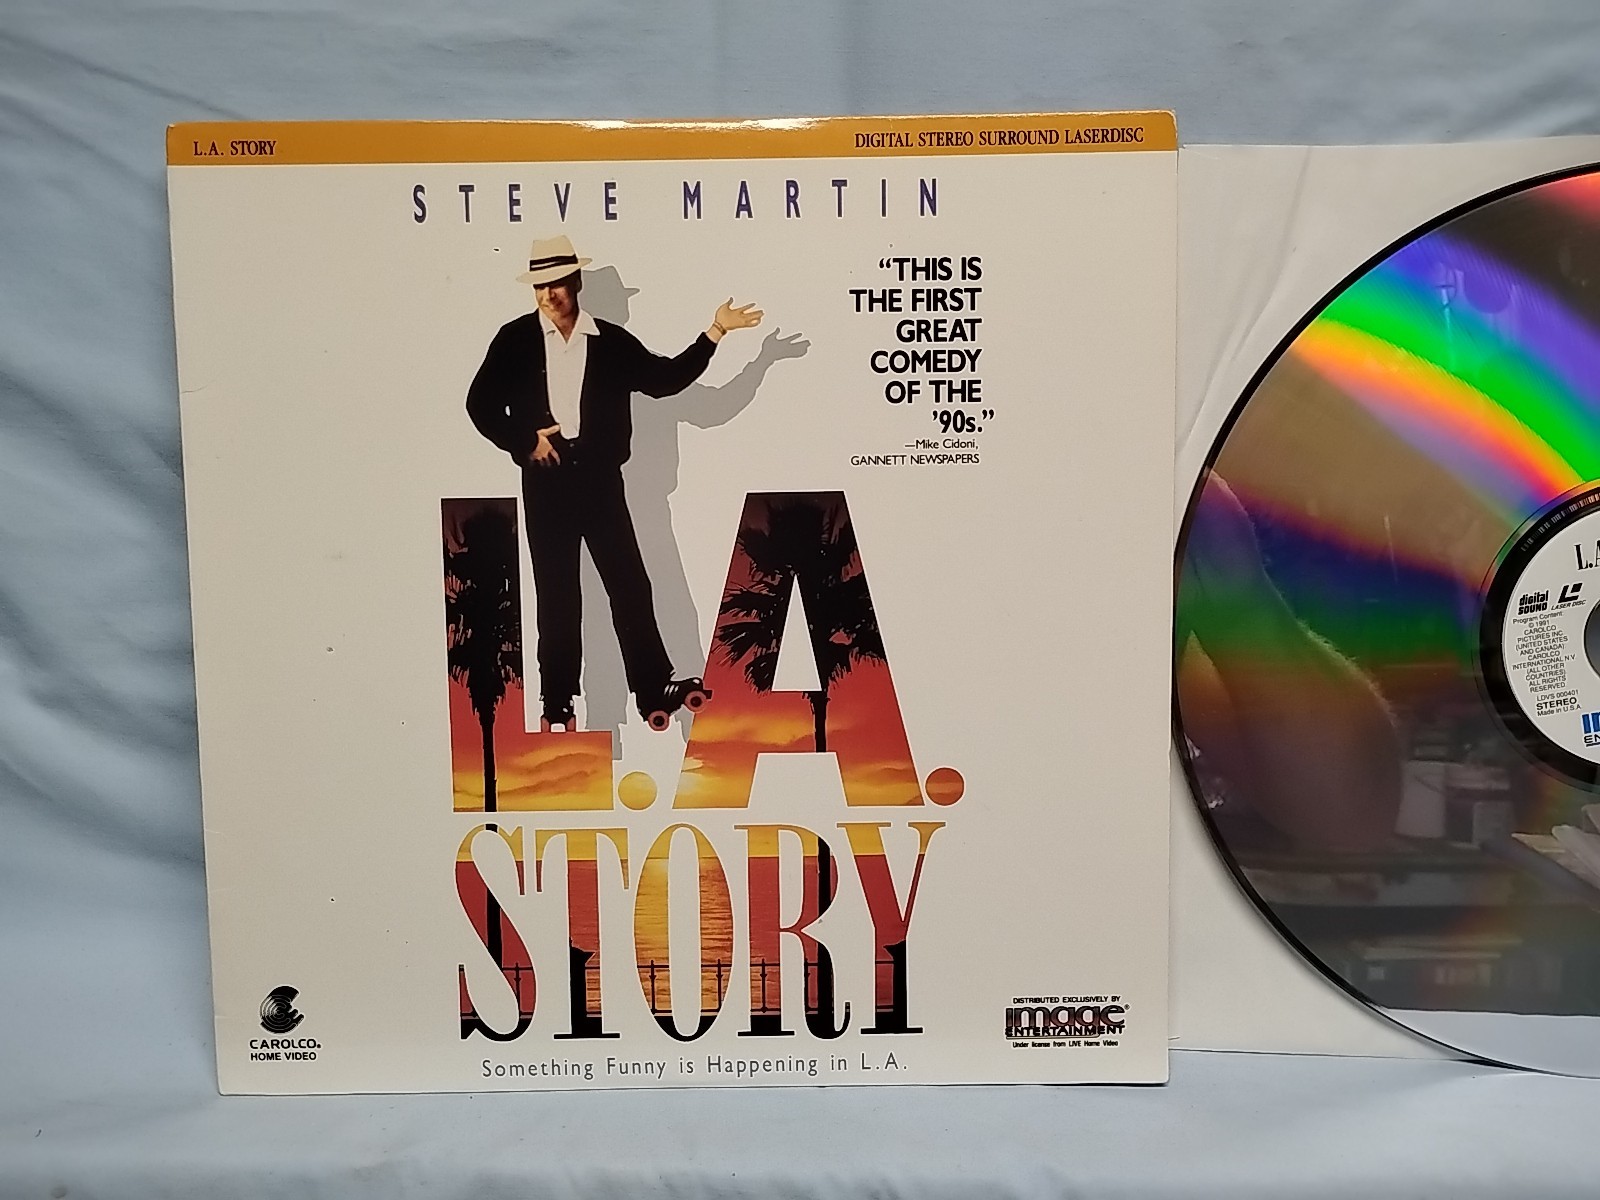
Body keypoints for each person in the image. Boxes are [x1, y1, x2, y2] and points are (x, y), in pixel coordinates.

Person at [466, 234, 762, 729]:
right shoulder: (514, 339)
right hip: (546, 482)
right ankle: (557, 703)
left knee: (630, 586)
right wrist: (524, 440)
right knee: (558, 595)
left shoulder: (610, 341)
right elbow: (480, 404)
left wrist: (715, 332)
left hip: (601, 481)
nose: (548, 295)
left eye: (557, 283)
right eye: (539, 286)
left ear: (575, 282)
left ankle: (653, 687)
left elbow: (665, 379)